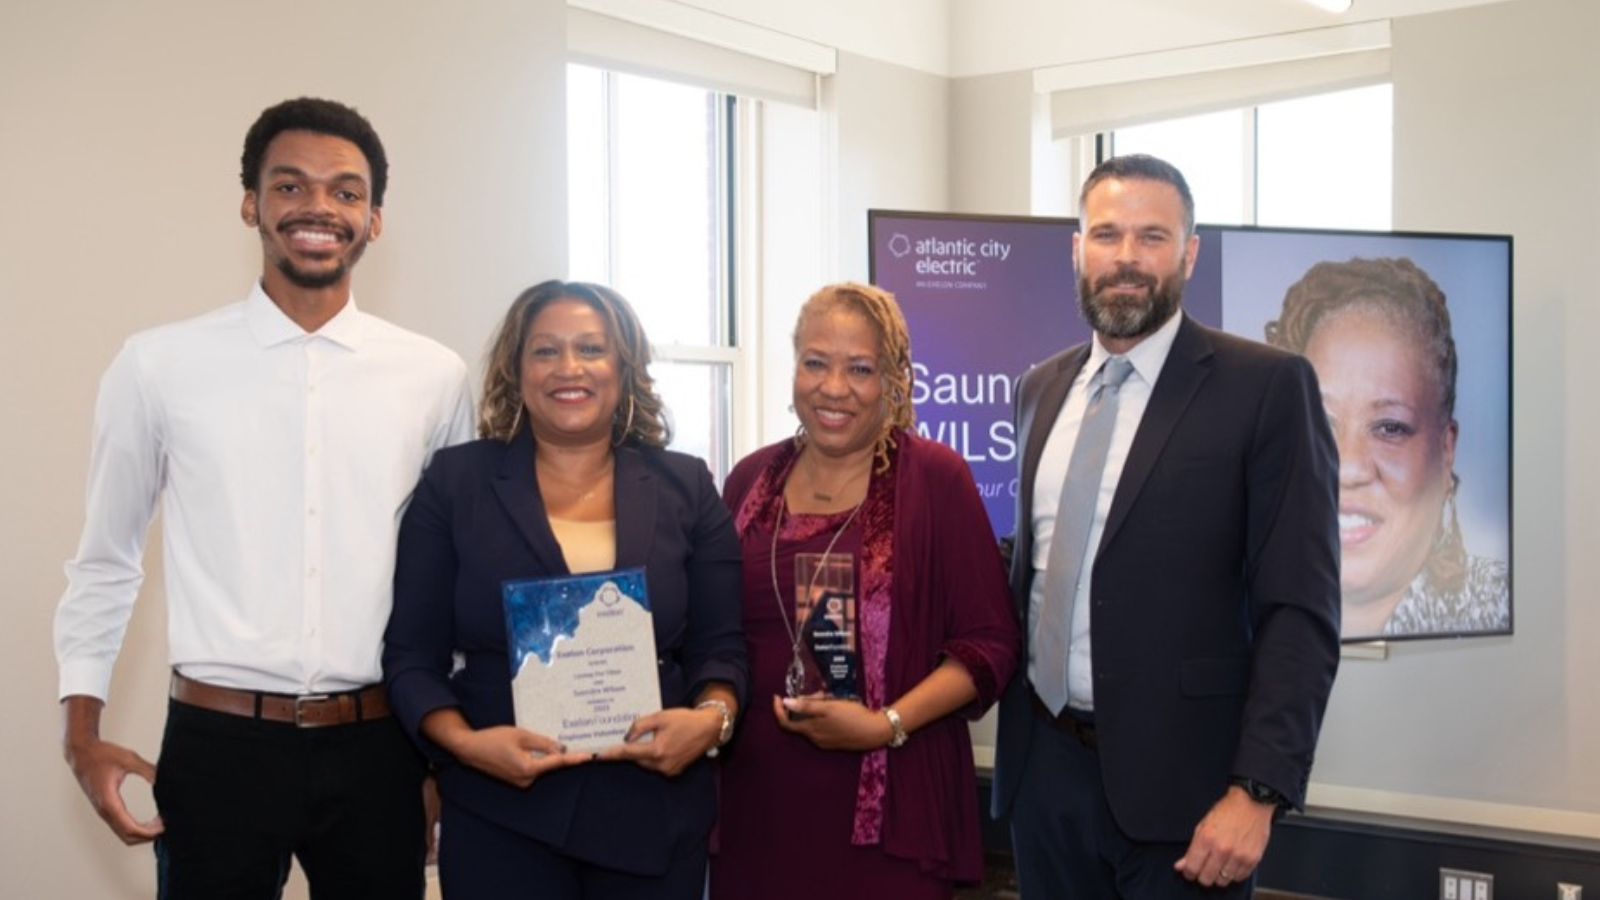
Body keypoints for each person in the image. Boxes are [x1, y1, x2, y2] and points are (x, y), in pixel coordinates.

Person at [53, 97, 475, 898]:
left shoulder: (434, 375)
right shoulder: (158, 365)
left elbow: (446, 581)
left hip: (381, 747)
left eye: (346, 192)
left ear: (375, 219)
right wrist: (83, 735)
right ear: (252, 203)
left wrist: (439, 755)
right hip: (219, 748)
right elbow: (105, 562)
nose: (319, 207)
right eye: (291, 187)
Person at [990, 154, 1342, 898]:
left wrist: (1258, 792)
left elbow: (1300, 611)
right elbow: (1043, 566)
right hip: (1043, 777)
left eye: (1151, 237)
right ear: (1077, 249)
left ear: (1189, 253)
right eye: (1107, 234)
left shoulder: (1267, 387)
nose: (1126, 258)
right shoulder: (1039, 389)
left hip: (1190, 798)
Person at [383, 279, 746, 900]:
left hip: (653, 814)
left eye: (591, 349)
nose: (568, 368)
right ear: (516, 369)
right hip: (502, 811)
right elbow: (411, 657)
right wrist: (467, 745)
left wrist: (711, 722)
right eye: (546, 351)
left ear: (624, 367)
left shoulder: (685, 486)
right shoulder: (457, 482)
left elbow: (722, 648)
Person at [711, 282, 1019, 900]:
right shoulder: (750, 479)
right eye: (815, 362)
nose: (833, 388)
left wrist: (885, 725)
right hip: (757, 798)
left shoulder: (934, 479)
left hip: (887, 803)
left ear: (894, 379)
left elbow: (989, 646)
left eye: (860, 369)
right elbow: (714, 631)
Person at [1265, 256, 1510, 640]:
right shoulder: (1226, 611)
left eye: (1389, 428)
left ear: (1446, 452)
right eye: (1320, 422)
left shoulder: (1494, 599)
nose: (1347, 468)